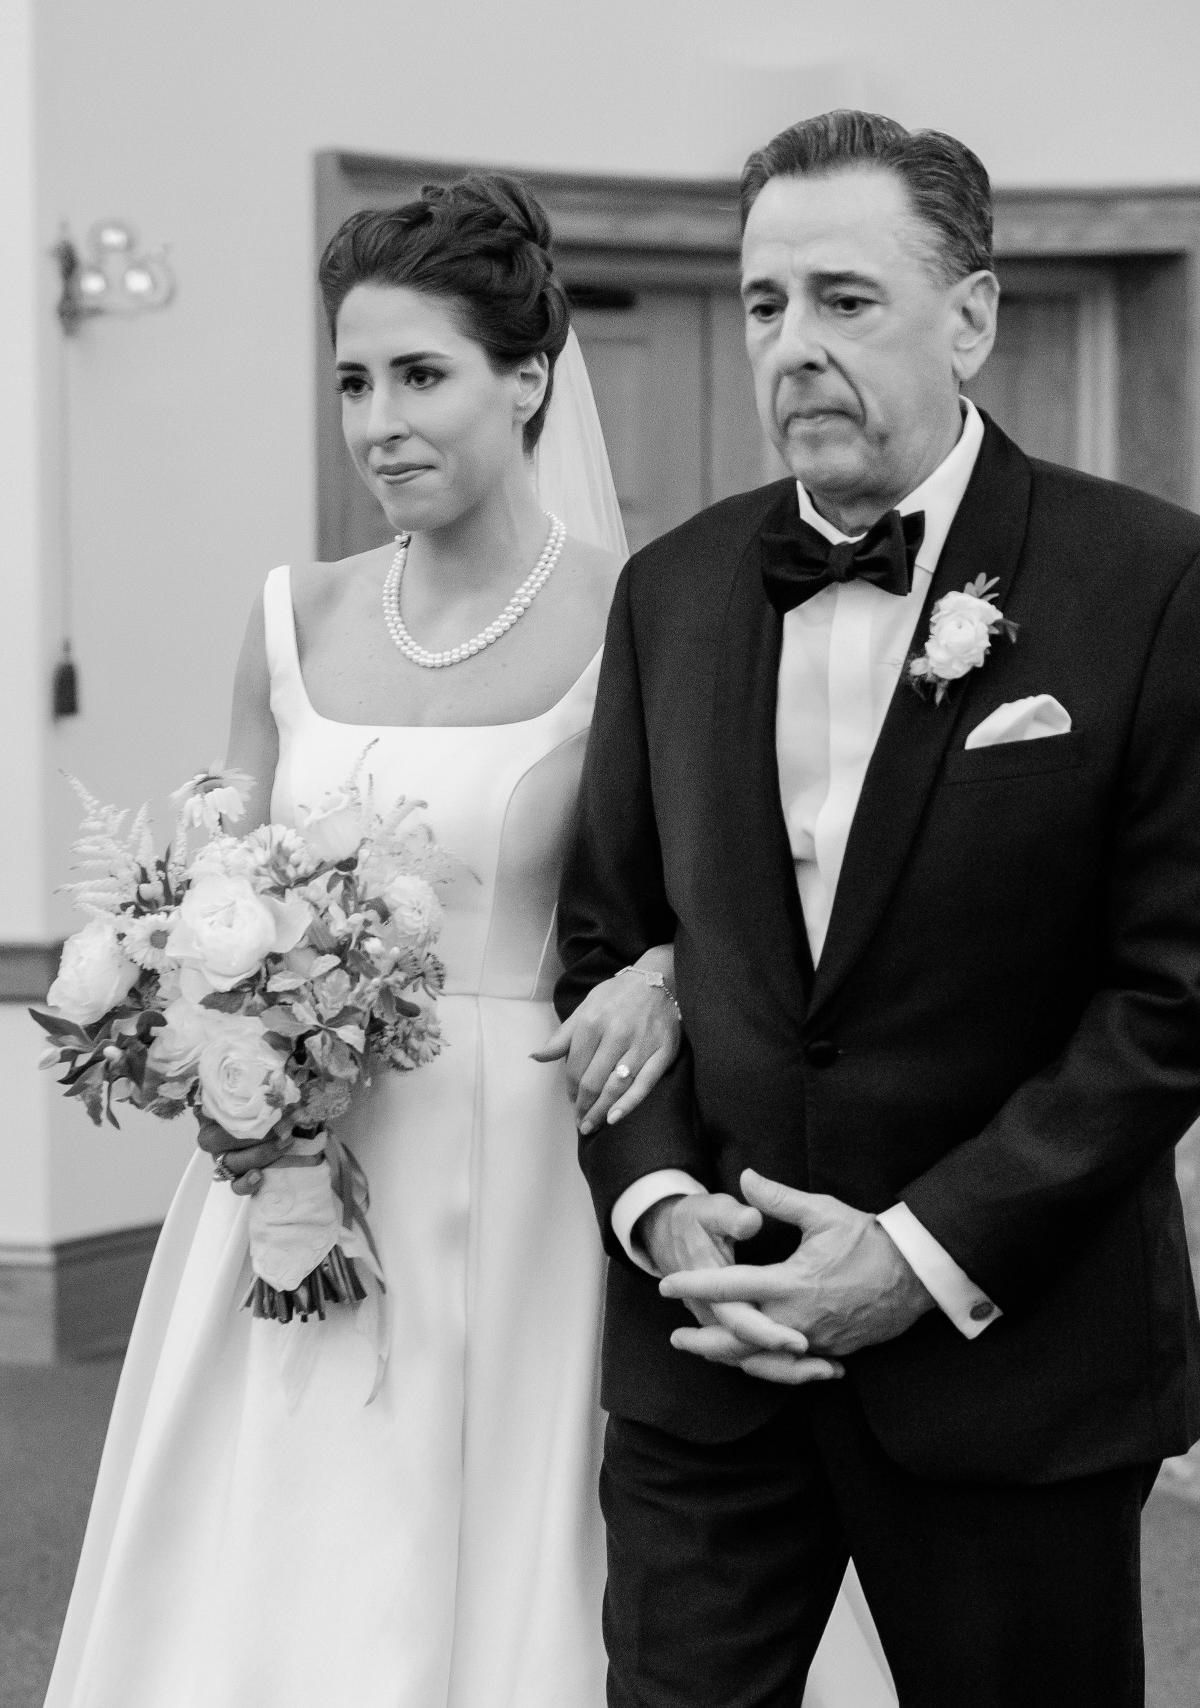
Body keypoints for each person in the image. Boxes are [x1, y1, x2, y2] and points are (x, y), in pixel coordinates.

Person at [555, 110, 1200, 1708]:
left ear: (969, 317)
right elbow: (605, 941)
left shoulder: (1154, 582)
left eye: (847, 299)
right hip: (712, 1365)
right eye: (767, 303)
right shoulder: (676, 590)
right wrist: (660, 1211)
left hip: (1010, 1359)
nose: (793, 344)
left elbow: (1172, 991)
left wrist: (917, 1253)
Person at [43, 174, 681, 1708]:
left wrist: (666, 971)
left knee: (502, 1546)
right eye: (352, 378)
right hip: (294, 1151)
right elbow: (217, 878)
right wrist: (198, 1000)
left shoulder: (640, 614)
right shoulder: (293, 616)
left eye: (421, 373)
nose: (378, 418)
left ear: (528, 378)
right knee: (285, 1523)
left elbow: (713, 890)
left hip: (523, 1160)